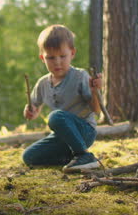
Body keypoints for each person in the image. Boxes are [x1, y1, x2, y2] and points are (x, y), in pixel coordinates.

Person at [22, 24, 102, 173]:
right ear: (42, 58)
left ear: (72, 53)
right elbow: (34, 108)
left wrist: (95, 91)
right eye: (51, 58)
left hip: (84, 131)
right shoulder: (43, 83)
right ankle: (72, 159)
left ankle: (85, 156)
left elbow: (96, 110)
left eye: (62, 56)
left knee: (55, 117)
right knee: (29, 157)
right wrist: (30, 111)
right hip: (62, 137)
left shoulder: (80, 76)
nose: (57, 62)